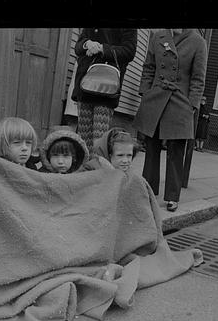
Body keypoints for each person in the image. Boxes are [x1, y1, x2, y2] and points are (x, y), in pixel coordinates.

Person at [132, 28, 207, 213]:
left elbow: (198, 78)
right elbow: (149, 67)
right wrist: (145, 92)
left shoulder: (197, 41)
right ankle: (148, 190)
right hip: (155, 97)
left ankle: (172, 197)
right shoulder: (158, 36)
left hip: (180, 101)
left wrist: (192, 105)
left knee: (176, 150)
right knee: (151, 147)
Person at [73, 28, 138, 150]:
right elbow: (77, 47)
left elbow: (129, 51)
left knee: (99, 139)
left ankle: (99, 167)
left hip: (106, 86)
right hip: (86, 83)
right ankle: (84, 167)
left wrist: (102, 48)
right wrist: (88, 44)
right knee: (83, 137)